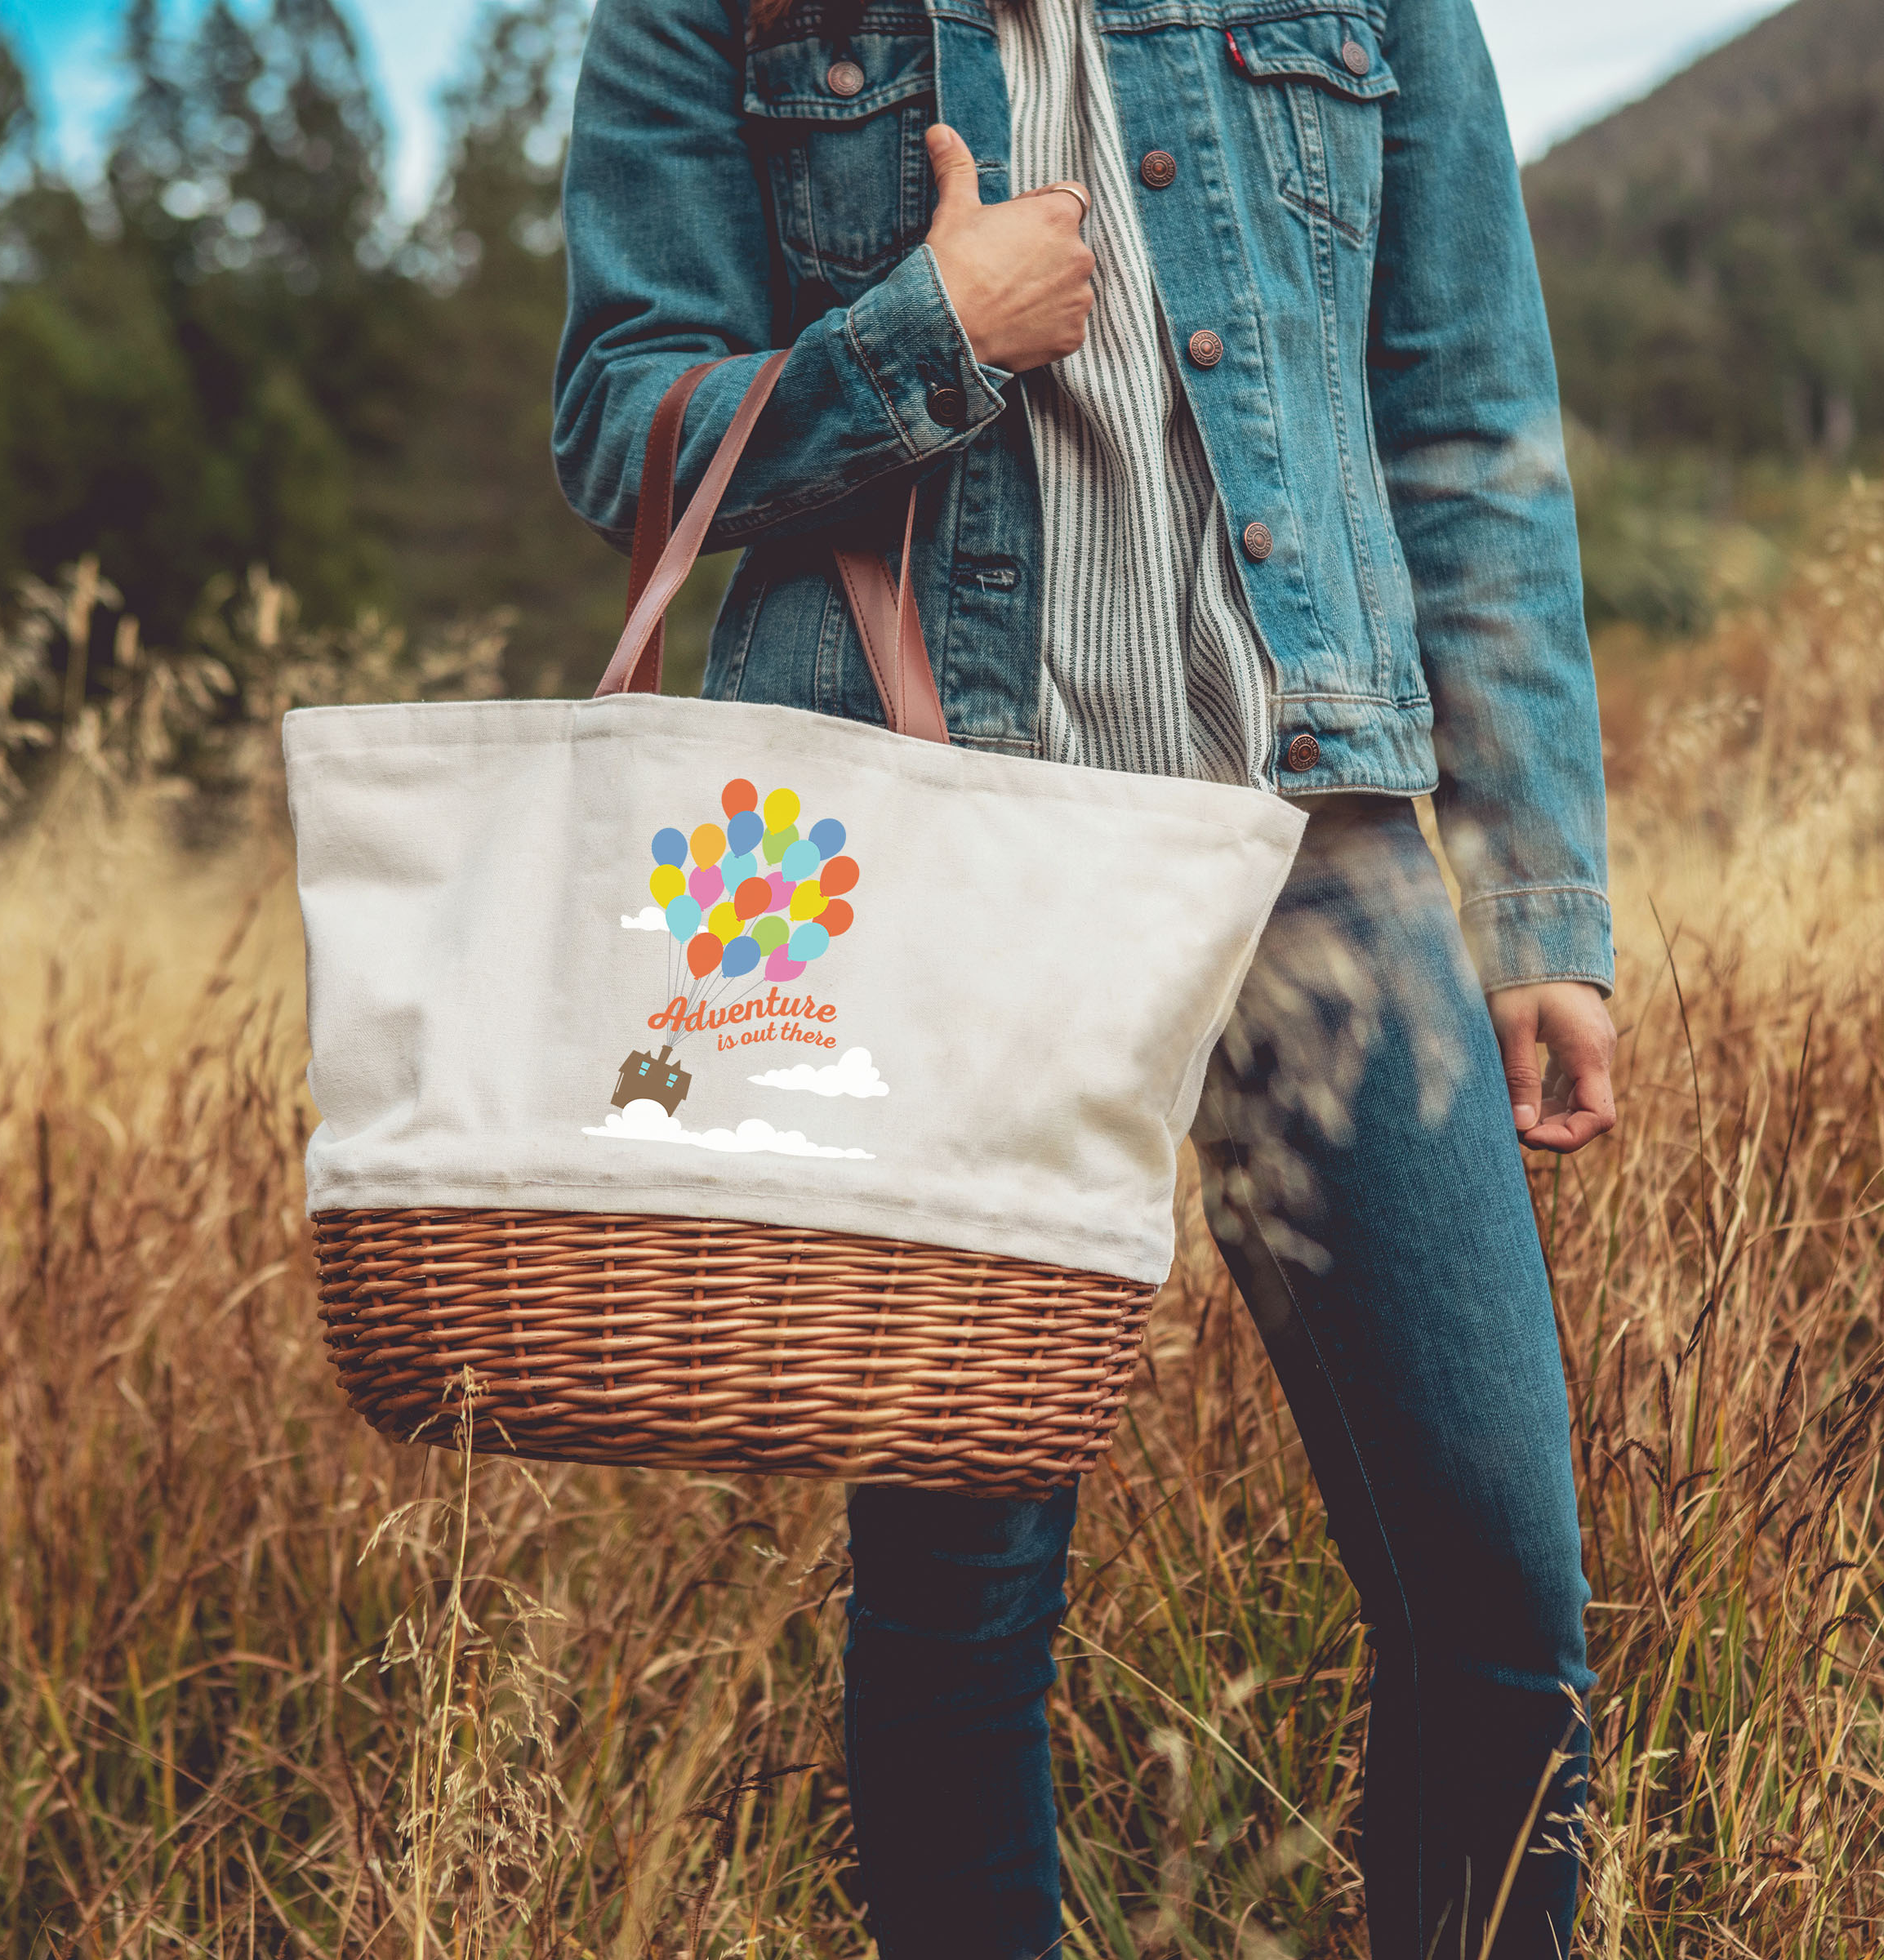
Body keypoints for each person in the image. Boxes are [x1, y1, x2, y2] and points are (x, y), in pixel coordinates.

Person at [555, 0, 1617, 1950]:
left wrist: (1540, 893)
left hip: (1322, 847)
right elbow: (621, 420)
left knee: (1499, 1593)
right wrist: (922, 338)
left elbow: (1466, 422)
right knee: (963, 1612)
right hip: (946, 849)